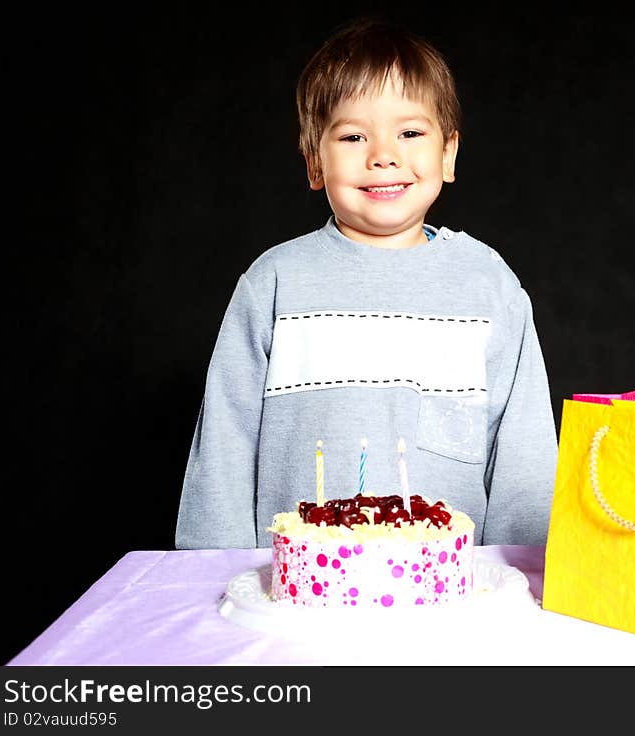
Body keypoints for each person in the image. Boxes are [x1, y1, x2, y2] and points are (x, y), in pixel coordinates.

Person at [175, 17, 558, 549]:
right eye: (353, 136)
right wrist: (204, 580)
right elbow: (223, 448)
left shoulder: (488, 286)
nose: (383, 155)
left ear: (447, 153)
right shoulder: (275, 283)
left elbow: (526, 457)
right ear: (314, 163)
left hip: (451, 604)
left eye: (410, 133)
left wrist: (525, 578)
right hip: (293, 602)